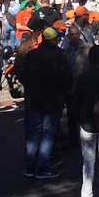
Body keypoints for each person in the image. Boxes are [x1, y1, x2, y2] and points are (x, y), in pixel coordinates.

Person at [18, 27, 74, 179]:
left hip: (35, 99)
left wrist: (32, 88)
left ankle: (30, 167)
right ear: (54, 40)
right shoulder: (60, 56)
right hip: (53, 100)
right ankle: (43, 167)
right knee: (48, 134)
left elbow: (22, 76)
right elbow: (68, 79)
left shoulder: (31, 55)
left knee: (34, 133)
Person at [70, 45, 99, 197]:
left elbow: (75, 100)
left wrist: (79, 119)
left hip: (86, 123)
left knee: (88, 162)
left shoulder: (82, 77)